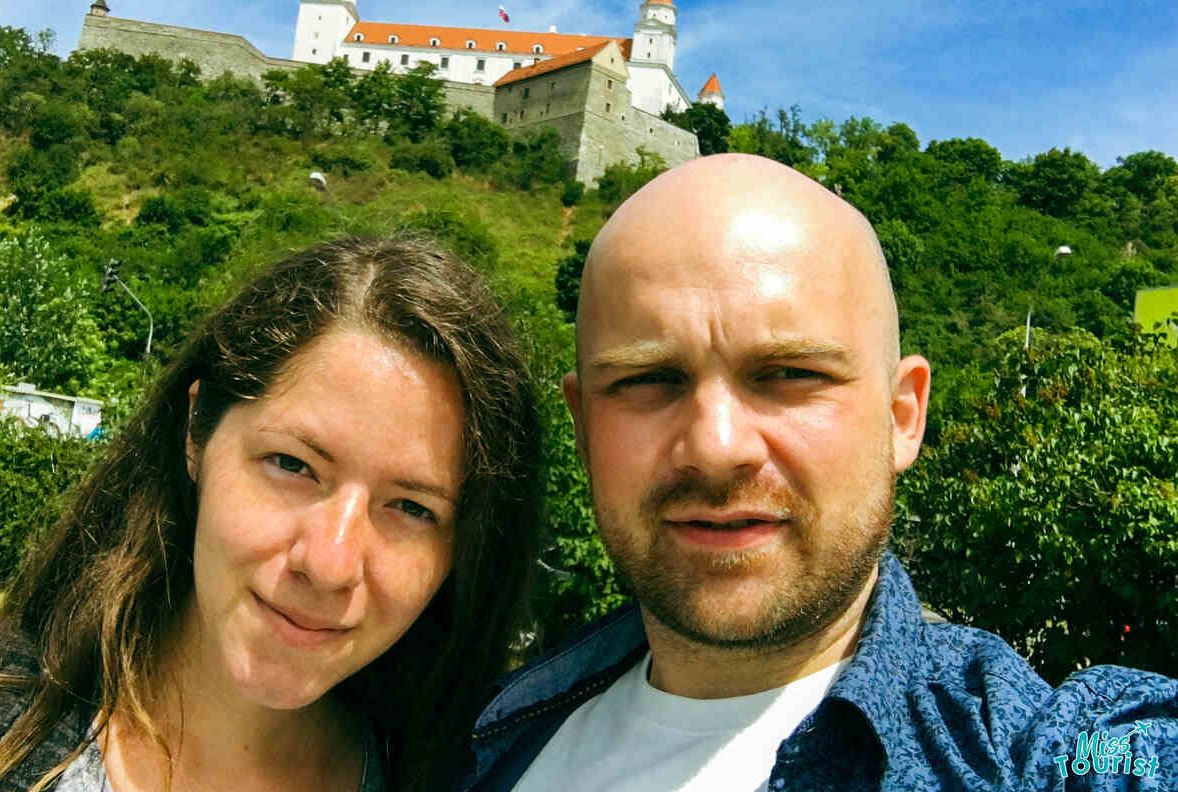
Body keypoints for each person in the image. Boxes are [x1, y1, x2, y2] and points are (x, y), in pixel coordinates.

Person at [459, 154, 1177, 791]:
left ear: (902, 417)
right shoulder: (468, 743)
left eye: (790, 374)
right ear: (584, 427)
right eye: (649, 380)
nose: (716, 447)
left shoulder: (1043, 751)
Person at [0, 235, 543, 792]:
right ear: (196, 435)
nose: (330, 564)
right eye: (292, 465)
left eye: (412, 508)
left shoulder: (472, 777)